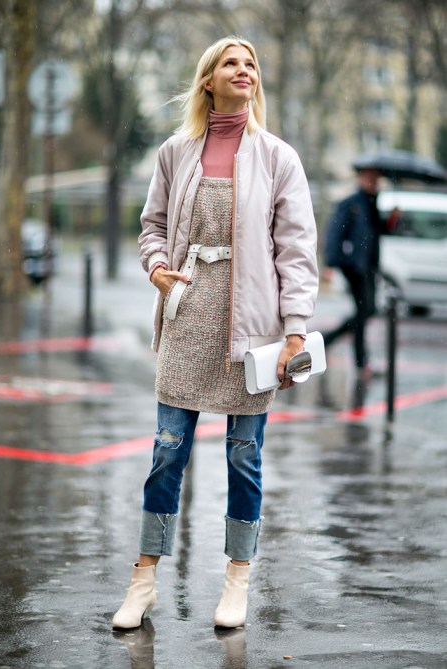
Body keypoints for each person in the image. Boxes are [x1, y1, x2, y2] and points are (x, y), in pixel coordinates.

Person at [112, 35, 318, 631]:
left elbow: (296, 251)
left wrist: (296, 333)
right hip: (186, 317)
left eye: (250, 63)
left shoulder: (279, 157)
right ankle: (143, 579)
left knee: (244, 456)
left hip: (253, 326)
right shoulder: (175, 152)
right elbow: (151, 226)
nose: (244, 70)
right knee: (166, 451)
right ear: (208, 79)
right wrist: (156, 268)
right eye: (231, 63)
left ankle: (237, 578)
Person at [323, 167, 388, 375]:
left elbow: (379, 231)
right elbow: (335, 233)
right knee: (364, 310)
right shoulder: (352, 203)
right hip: (353, 265)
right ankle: (361, 362)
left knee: (368, 310)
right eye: (369, 178)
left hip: (368, 265)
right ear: (360, 178)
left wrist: (393, 220)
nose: (372, 182)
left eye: (375, 178)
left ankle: (327, 340)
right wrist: (330, 263)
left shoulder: (372, 203)